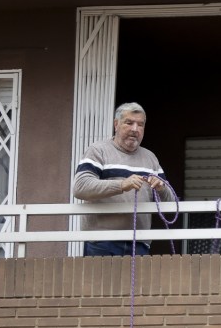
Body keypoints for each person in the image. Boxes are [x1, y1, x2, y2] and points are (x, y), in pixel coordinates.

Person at [73, 102, 175, 256]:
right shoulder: (98, 150)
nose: (135, 129)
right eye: (129, 123)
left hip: (139, 242)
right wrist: (122, 185)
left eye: (140, 124)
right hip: (102, 242)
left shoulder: (150, 158)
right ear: (116, 124)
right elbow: (80, 187)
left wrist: (161, 188)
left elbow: (171, 204)